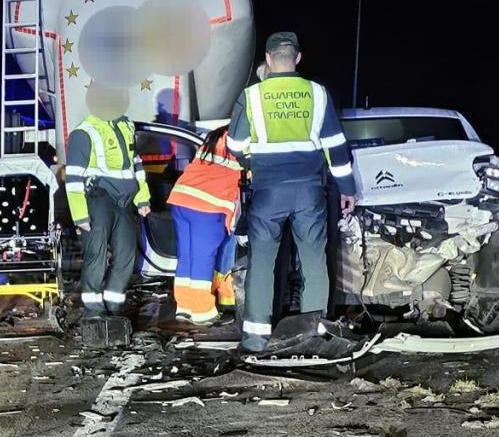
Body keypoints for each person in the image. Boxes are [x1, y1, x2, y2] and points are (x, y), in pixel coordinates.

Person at [226, 32, 357, 352]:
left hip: (268, 192)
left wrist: (252, 161)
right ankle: (315, 335)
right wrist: (347, 188)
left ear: (269, 59)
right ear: (297, 58)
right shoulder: (318, 94)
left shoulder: (252, 96)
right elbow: (336, 147)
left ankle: (256, 338)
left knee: (262, 264)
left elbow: (234, 145)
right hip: (309, 191)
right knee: (314, 262)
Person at [65, 85, 151, 317]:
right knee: (97, 254)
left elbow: (136, 165)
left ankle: (114, 303)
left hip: (124, 201)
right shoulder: (85, 132)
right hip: (98, 198)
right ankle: (93, 308)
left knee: (126, 253)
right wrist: (80, 215)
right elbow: (73, 177)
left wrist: (143, 199)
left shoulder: (125, 125)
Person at [166, 127, 241, 326]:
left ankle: (184, 306)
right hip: (207, 205)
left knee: (187, 256)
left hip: (181, 198)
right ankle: (202, 312)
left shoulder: (215, 135)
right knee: (203, 258)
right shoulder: (241, 138)